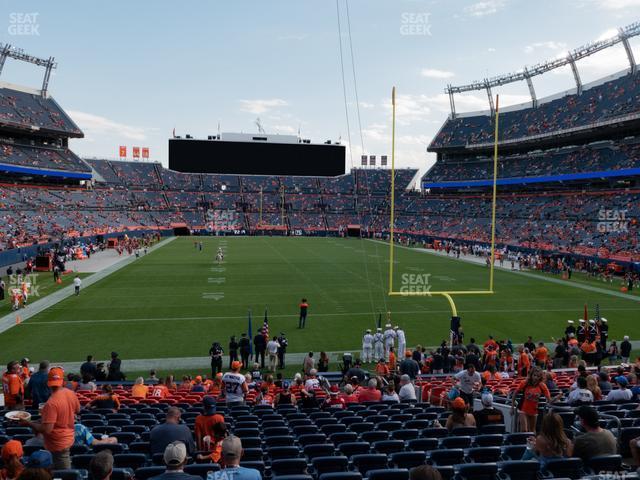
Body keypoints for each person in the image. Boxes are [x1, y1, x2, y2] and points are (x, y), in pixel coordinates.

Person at [21, 367, 80, 469]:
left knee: (63, 472)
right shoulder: (70, 393)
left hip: (58, 443)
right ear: (62, 381)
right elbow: (77, 410)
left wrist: (28, 423)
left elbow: (47, 430)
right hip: (68, 437)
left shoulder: (51, 403)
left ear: (49, 382)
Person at [512, 367, 553, 433]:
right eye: (534, 375)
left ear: (540, 377)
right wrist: (512, 407)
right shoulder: (524, 383)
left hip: (534, 411)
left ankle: (532, 443)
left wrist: (556, 398)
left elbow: (549, 399)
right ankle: (523, 442)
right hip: (524, 409)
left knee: (532, 431)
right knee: (524, 430)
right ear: (531, 375)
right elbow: (514, 393)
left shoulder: (542, 385)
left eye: (538, 376)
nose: (536, 378)